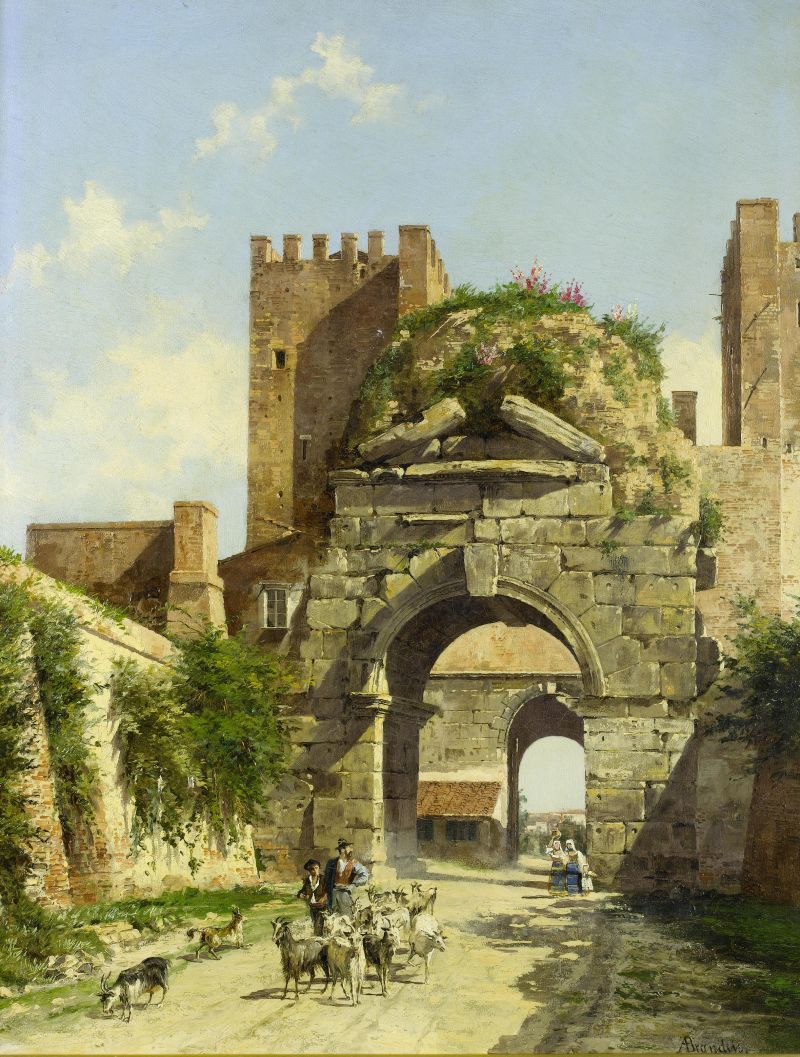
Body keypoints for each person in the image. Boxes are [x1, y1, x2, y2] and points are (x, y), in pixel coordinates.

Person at [324, 838, 369, 918]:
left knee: (347, 918)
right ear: (342, 850)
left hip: (345, 894)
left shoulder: (354, 863)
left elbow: (365, 875)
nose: (352, 850)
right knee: (333, 918)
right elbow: (326, 880)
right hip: (332, 894)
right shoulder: (331, 863)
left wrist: (354, 883)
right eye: (349, 848)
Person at [296, 858, 328, 934]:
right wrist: (302, 895)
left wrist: (324, 898)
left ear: (319, 868)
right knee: (314, 925)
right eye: (312, 869)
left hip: (322, 907)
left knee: (319, 927)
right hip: (312, 907)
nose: (315, 870)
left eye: (316, 868)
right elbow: (301, 892)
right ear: (309, 870)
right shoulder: (308, 881)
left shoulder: (323, 879)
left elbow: (329, 891)